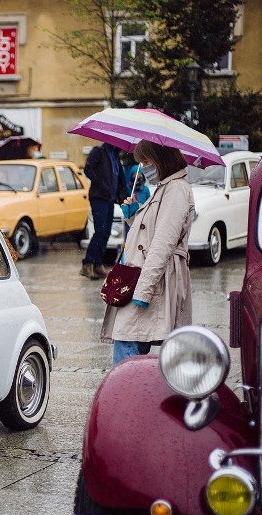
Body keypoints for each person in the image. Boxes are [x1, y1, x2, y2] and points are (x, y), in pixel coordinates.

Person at [101, 140, 194, 366]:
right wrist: (133, 214)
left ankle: (125, 398)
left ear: (161, 159)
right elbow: (149, 232)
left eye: (146, 161)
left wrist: (143, 291)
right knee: (130, 340)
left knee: (128, 343)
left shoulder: (176, 190)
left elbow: (162, 244)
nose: (143, 167)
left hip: (153, 280)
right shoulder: (165, 187)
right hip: (142, 277)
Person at [80, 142, 128, 280]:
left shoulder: (115, 155)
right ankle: (87, 263)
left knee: (106, 232)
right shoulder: (99, 151)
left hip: (110, 199)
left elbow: (118, 178)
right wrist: (102, 184)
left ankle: (98, 264)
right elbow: (88, 169)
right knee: (100, 231)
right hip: (99, 197)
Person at [121, 164, 152, 238]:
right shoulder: (128, 188)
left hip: (142, 216)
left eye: (139, 174)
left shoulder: (145, 189)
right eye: (135, 174)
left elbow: (148, 202)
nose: (137, 176)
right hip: (130, 216)